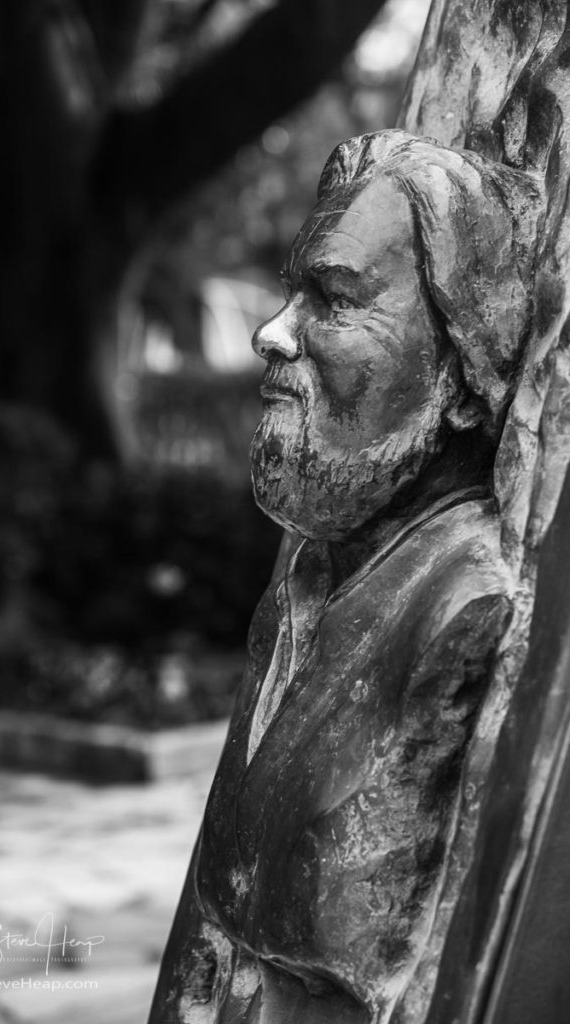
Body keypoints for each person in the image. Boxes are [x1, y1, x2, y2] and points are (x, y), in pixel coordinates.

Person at [148, 130, 541, 1024]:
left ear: (461, 371)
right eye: (294, 291)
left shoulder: (464, 605)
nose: (271, 332)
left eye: (332, 297)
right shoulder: (303, 585)